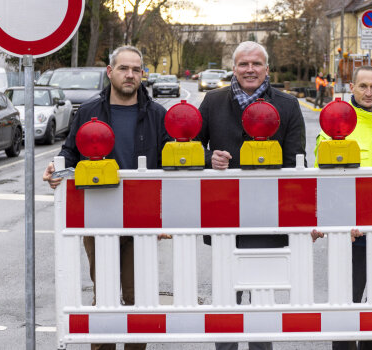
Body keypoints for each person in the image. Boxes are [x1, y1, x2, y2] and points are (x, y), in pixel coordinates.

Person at [42, 45, 171, 350]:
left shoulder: (156, 114)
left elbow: (173, 162)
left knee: (138, 297)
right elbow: (70, 152)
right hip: (98, 215)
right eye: (124, 69)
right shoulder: (89, 111)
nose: (130, 75)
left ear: (143, 75)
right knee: (105, 295)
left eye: (136, 70)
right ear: (110, 72)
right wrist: (57, 167)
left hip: (142, 220)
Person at [197, 41, 306, 350]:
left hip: (267, 217)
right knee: (226, 297)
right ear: (234, 68)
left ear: (266, 69)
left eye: (256, 64)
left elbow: (297, 162)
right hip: (223, 215)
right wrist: (210, 159)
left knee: (261, 300)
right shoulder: (213, 101)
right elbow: (190, 146)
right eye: (243, 64)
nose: (249, 69)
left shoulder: (287, 105)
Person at [312, 66, 372, 350]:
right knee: (346, 306)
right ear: (351, 87)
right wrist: (339, 221)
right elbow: (324, 181)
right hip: (352, 234)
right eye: (362, 86)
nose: (368, 92)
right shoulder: (336, 124)